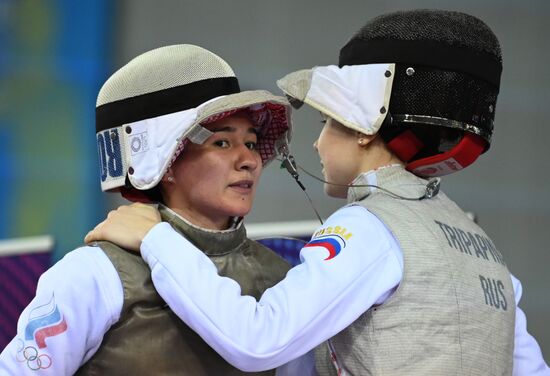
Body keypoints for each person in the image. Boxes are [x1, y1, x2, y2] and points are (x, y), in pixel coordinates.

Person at [84, 10, 550, 376]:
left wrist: (154, 239)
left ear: (365, 130)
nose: (316, 141)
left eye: (327, 121)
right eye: (222, 142)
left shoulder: (369, 228)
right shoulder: (480, 247)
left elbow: (257, 341)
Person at [0, 44, 299, 375]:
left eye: (252, 143)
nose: (249, 161)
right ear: (166, 163)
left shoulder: (281, 277)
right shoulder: (95, 275)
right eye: (222, 143)